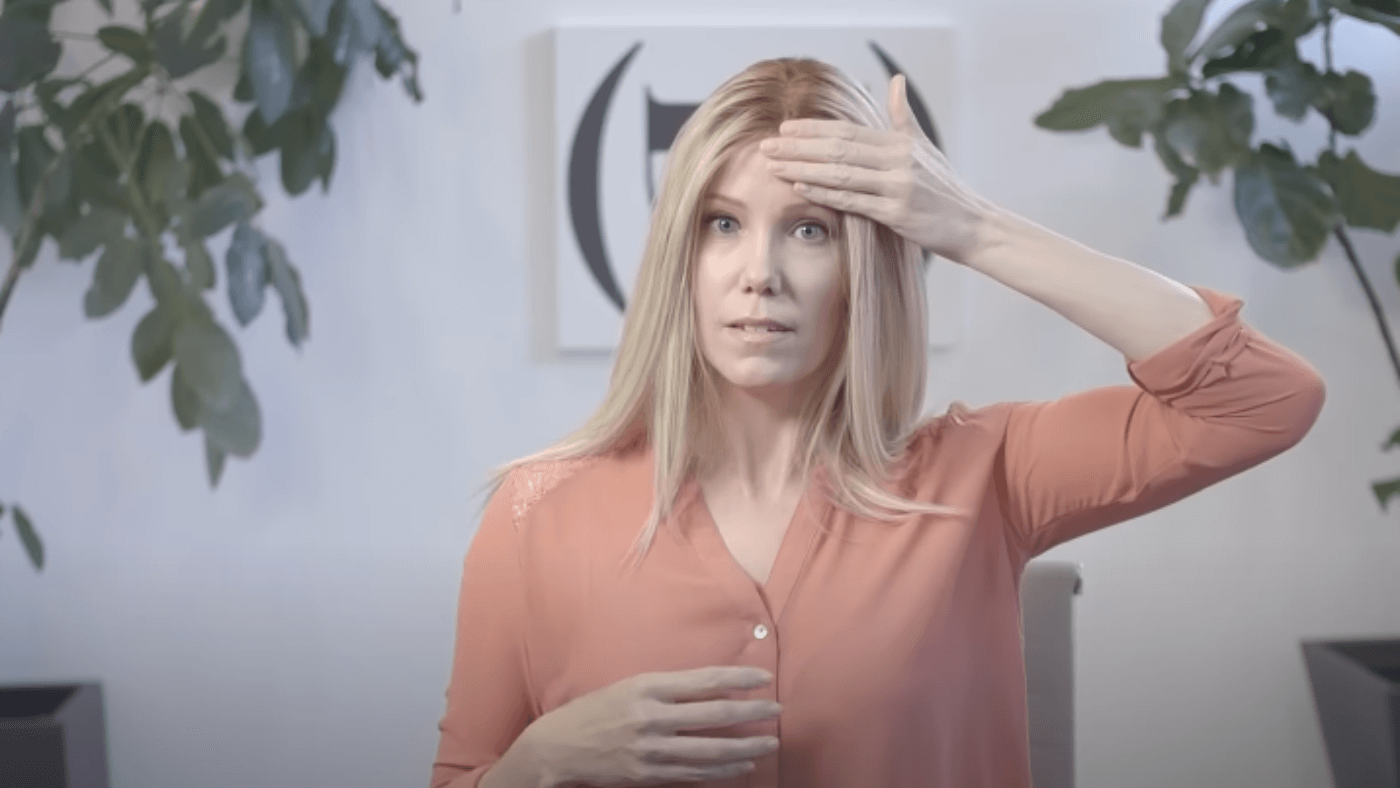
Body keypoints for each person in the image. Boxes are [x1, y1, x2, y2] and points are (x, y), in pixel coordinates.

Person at [430, 58, 1325, 788]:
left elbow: (1262, 398)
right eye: (722, 224)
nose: (760, 274)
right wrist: (536, 769)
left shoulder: (987, 474)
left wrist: (970, 228)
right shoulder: (533, 511)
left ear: (865, 265)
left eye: (810, 231)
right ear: (680, 258)